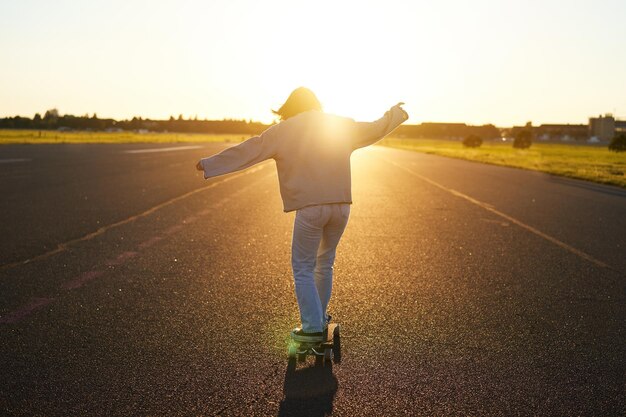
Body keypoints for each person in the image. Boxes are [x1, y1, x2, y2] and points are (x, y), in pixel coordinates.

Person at [196, 87, 408, 342]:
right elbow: (374, 129)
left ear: (289, 107)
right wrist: (395, 114)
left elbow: (249, 150)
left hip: (310, 209)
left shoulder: (283, 130)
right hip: (341, 206)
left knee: (303, 268)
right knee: (325, 263)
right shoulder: (337, 125)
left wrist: (210, 164)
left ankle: (312, 327)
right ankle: (319, 318)